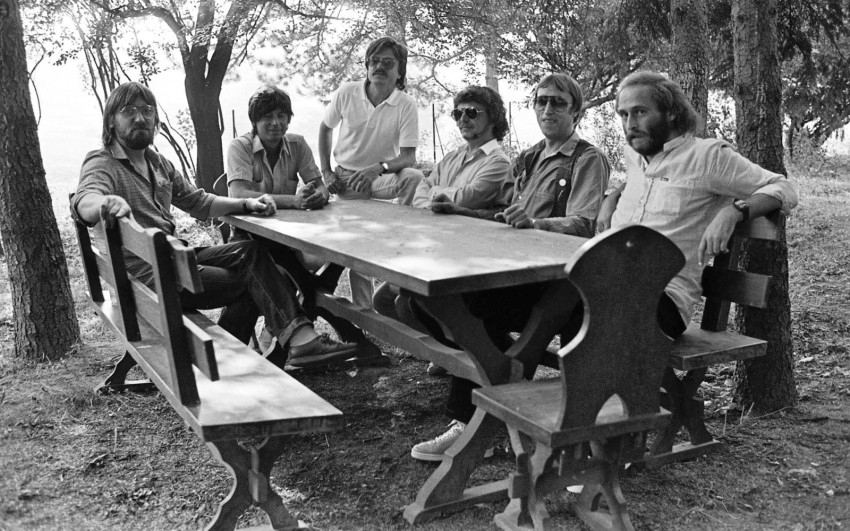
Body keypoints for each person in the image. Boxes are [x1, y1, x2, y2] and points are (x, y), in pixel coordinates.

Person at [73, 82, 358, 369]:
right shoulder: (103, 162)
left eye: (147, 110)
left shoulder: (157, 163)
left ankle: (260, 351)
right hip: (154, 277)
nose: (139, 117)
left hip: (174, 259)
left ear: (155, 118)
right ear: (111, 120)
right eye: (128, 110)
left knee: (250, 252)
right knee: (261, 281)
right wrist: (104, 203)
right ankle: (252, 355)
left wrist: (246, 204)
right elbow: (85, 199)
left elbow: (198, 202)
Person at [408, 73, 611, 461]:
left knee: (468, 305)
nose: (548, 109)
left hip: (559, 283)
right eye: (541, 101)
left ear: (577, 111)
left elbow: (585, 224)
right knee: (426, 299)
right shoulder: (529, 158)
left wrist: (536, 224)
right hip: (518, 270)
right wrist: (462, 211)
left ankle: (472, 424)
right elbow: (506, 215)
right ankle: (503, 383)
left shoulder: (587, 159)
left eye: (558, 102)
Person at [598, 70, 798, 330]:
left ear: (671, 112)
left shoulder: (708, 157)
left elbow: (784, 188)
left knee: (579, 307)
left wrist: (734, 211)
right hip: (610, 283)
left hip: (662, 300)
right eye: (623, 115)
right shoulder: (635, 156)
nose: (630, 124)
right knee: (556, 295)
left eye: (640, 112)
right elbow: (650, 183)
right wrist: (614, 197)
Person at [372, 86, 512, 370]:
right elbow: (423, 188)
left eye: (471, 112)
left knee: (404, 303)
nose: (463, 118)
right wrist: (436, 197)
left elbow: (465, 198)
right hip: (437, 249)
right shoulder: (453, 156)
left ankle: (468, 355)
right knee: (383, 300)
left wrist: (437, 192)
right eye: (457, 113)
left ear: (493, 117)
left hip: (469, 258)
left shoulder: (498, 162)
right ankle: (451, 350)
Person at [318, 36, 425, 313]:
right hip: (346, 181)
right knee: (358, 250)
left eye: (388, 63)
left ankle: (402, 241)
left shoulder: (406, 104)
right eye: (374, 61)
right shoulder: (347, 92)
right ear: (366, 66)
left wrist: (379, 167)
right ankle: (365, 319)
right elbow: (325, 128)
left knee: (412, 177)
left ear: (400, 70)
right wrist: (326, 171)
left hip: (379, 179)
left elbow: (408, 157)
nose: (379, 67)